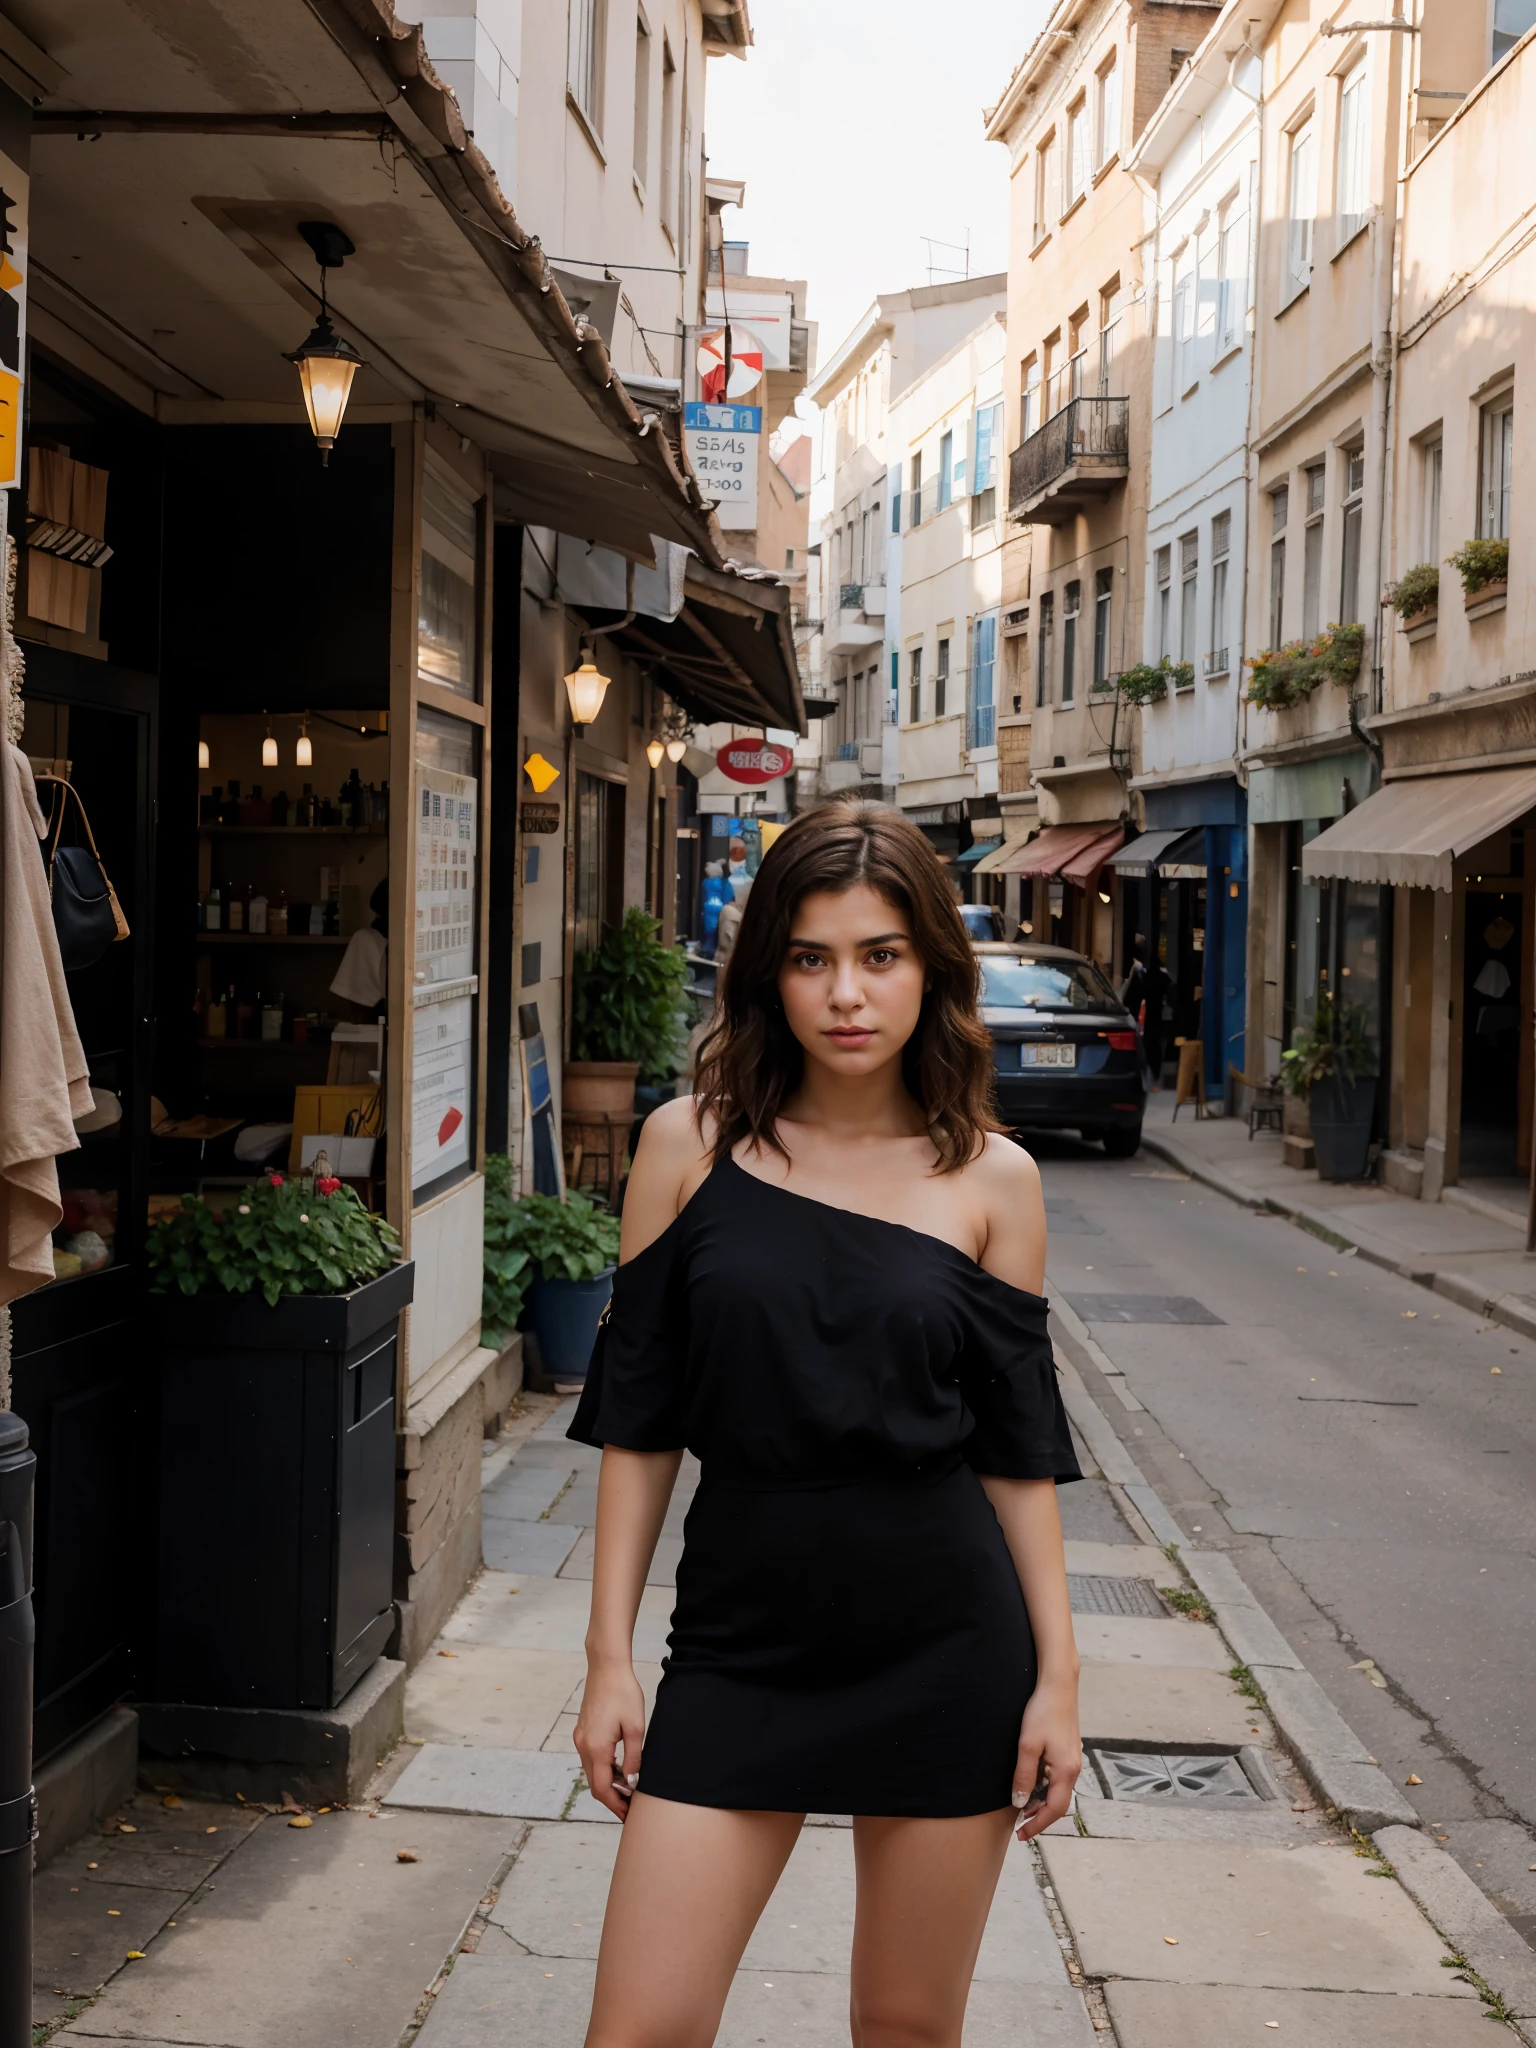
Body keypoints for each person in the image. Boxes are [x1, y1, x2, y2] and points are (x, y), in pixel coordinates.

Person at [568, 798, 1082, 2048]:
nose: (845, 993)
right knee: (638, 2030)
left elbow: (1018, 1454)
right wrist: (608, 1657)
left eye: (880, 954)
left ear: (931, 971)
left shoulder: (995, 1180)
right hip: (741, 1641)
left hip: (945, 1651)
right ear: (769, 974)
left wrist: (1058, 1675)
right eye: (810, 957)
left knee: (905, 2026)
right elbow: (641, 1424)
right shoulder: (685, 1148)